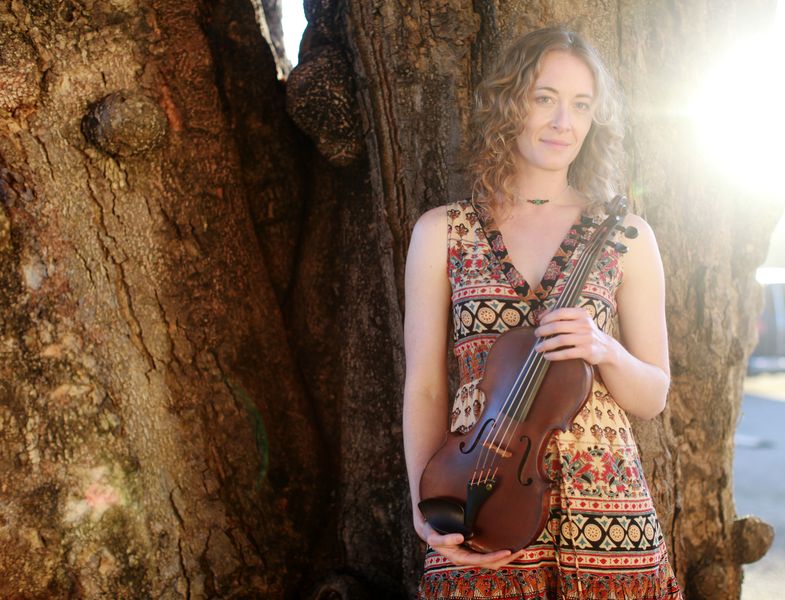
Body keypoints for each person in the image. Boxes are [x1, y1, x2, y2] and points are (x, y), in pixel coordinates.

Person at [402, 25, 684, 599]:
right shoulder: (443, 231)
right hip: (478, 500)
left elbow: (653, 396)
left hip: (610, 511)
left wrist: (603, 348)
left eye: (581, 105)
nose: (564, 122)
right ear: (510, 104)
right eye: (545, 99)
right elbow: (427, 388)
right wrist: (425, 505)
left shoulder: (626, 235)